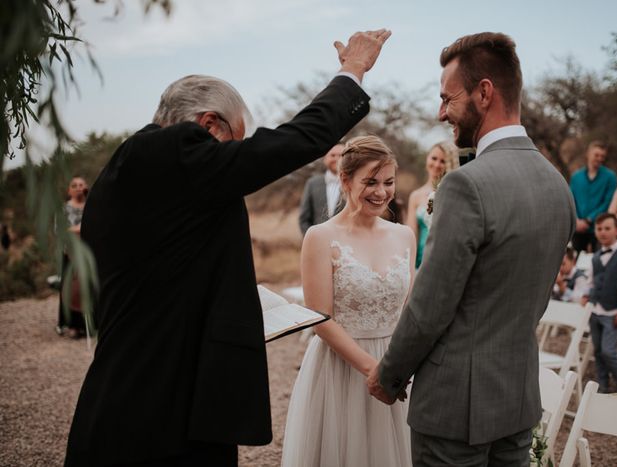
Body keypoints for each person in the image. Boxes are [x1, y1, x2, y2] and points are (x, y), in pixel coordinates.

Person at [64, 29, 391, 467]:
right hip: (158, 407)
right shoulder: (171, 151)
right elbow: (289, 143)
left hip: (139, 394)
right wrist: (353, 72)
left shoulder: (121, 176)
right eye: (234, 144)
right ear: (208, 124)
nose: (234, 159)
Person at [367, 32, 576, 466]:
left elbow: (431, 304)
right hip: (517, 402)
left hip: (453, 411)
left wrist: (389, 375)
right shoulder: (558, 185)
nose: (441, 112)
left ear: (484, 93)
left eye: (448, 98)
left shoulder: (466, 184)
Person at [282, 136, 415, 467]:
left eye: (388, 182)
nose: (381, 192)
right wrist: (373, 369)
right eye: (370, 181)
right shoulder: (320, 237)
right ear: (345, 179)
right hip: (339, 369)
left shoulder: (404, 235)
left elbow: (407, 309)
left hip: (394, 364)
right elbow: (319, 318)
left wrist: (398, 365)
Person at [582, 213, 617, 395]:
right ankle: (602, 386)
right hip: (595, 310)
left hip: (612, 311)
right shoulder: (596, 256)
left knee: (608, 351)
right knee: (597, 350)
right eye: (599, 229)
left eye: (607, 228)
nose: (603, 232)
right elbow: (591, 280)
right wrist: (585, 296)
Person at [405, 141, 458, 268]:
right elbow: (411, 237)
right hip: (420, 262)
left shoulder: (455, 193)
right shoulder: (415, 196)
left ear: (450, 164)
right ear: (427, 158)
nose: (436, 164)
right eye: (434, 158)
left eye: (443, 161)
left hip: (445, 261)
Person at [570, 141, 617, 253]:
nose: (599, 158)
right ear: (588, 154)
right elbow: (571, 199)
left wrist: (588, 220)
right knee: (576, 261)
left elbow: (607, 202)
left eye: (602, 156)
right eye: (596, 155)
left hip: (600, 227)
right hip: (578, 227)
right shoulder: (576, 177)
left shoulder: (610, 177)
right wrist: (576, 220)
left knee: (599, 260)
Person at [56, 176, 89, 338]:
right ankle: (71, 325)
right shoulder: (63, 209)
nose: (78, 187)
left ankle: (89, 325)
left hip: (88, 253)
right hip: (70, 253)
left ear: (86, 187)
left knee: (88, 288)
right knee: (70, 289)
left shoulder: (92, 206)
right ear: (69, 190)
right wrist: (80, 229)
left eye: (81, 184)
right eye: (74, 185)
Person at [298, 143, 344, 236]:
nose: (336, 158)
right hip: (319, 241)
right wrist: (311, 239)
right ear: (325, 158)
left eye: (341, 155)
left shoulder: (355, 183)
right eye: (332, 155)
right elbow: (304, 219)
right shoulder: (312, 183)